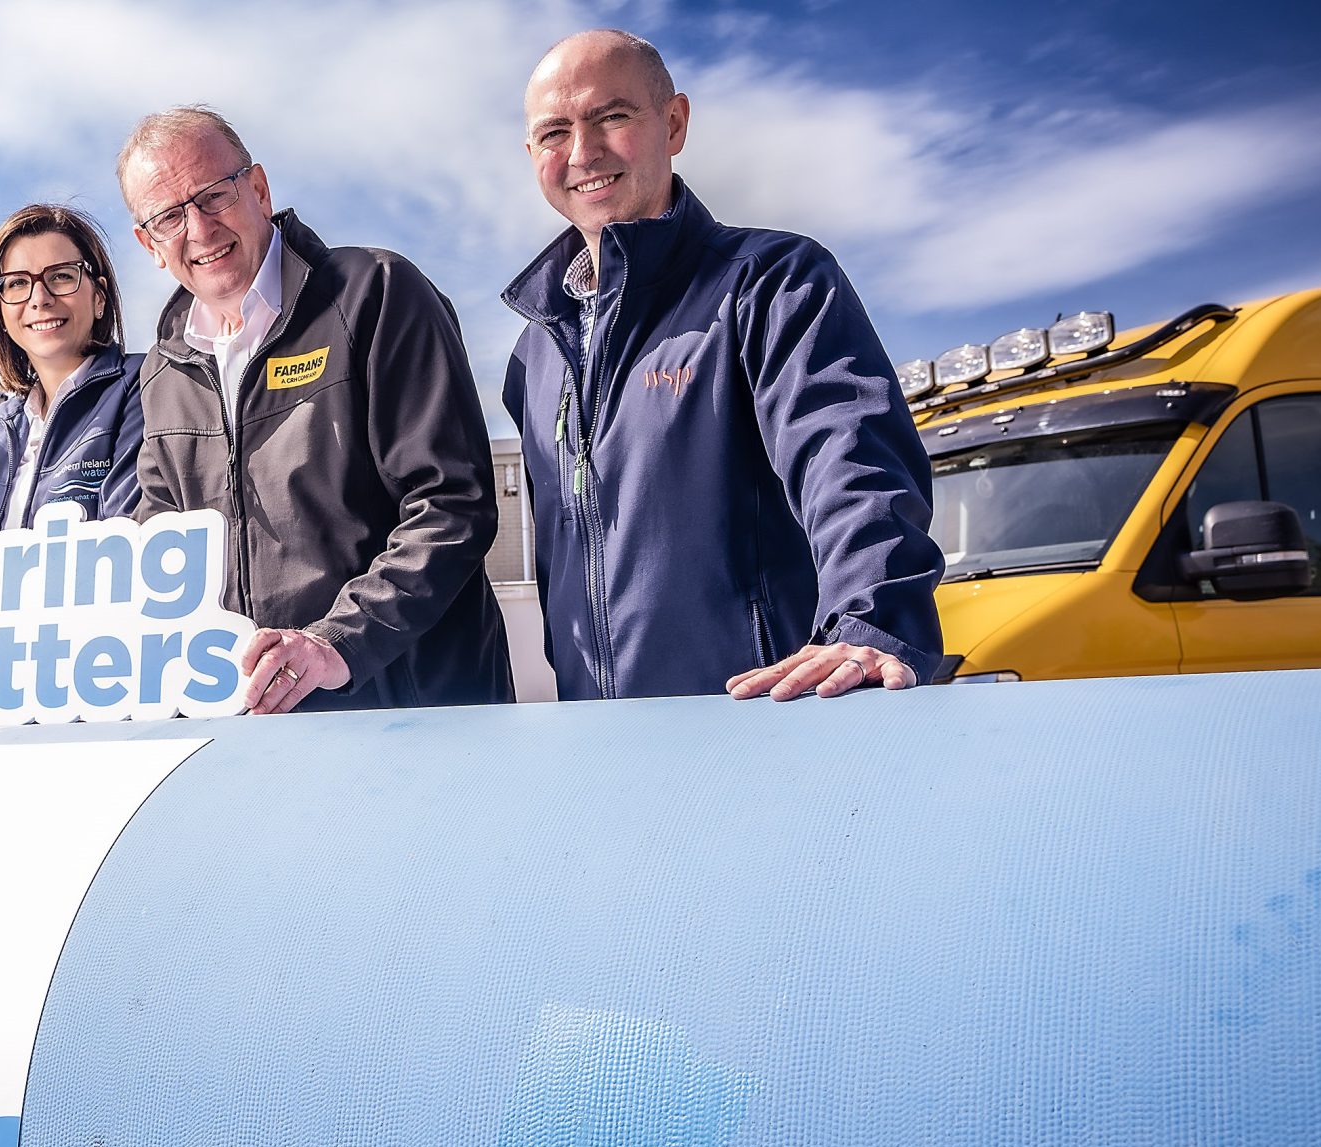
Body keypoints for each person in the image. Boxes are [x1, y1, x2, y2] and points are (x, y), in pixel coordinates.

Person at [503, 29, 943, 702]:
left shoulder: (774, 285)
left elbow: (850, 461)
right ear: (533, 153)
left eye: (612, 117)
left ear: (673, 123)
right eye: (555, 132)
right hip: (599, 742)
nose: (583, 152)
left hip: (759, 725)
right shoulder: (534, 354)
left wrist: (871, 621)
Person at [117, 106, 511, 715]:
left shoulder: (375, 294)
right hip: (255, 724)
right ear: (148, 243)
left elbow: (452, 504)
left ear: (258, 188)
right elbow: (160, 547)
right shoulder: (164, 371)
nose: (198, 229)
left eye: (214, 196)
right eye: (169, 217)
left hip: (412, 712)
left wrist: (340, 643)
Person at [0, 204, 144, 532]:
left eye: (61, 276)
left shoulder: (144, 387)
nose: (39, 298)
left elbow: (124, 540)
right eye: (17, 283)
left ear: (99, 297)